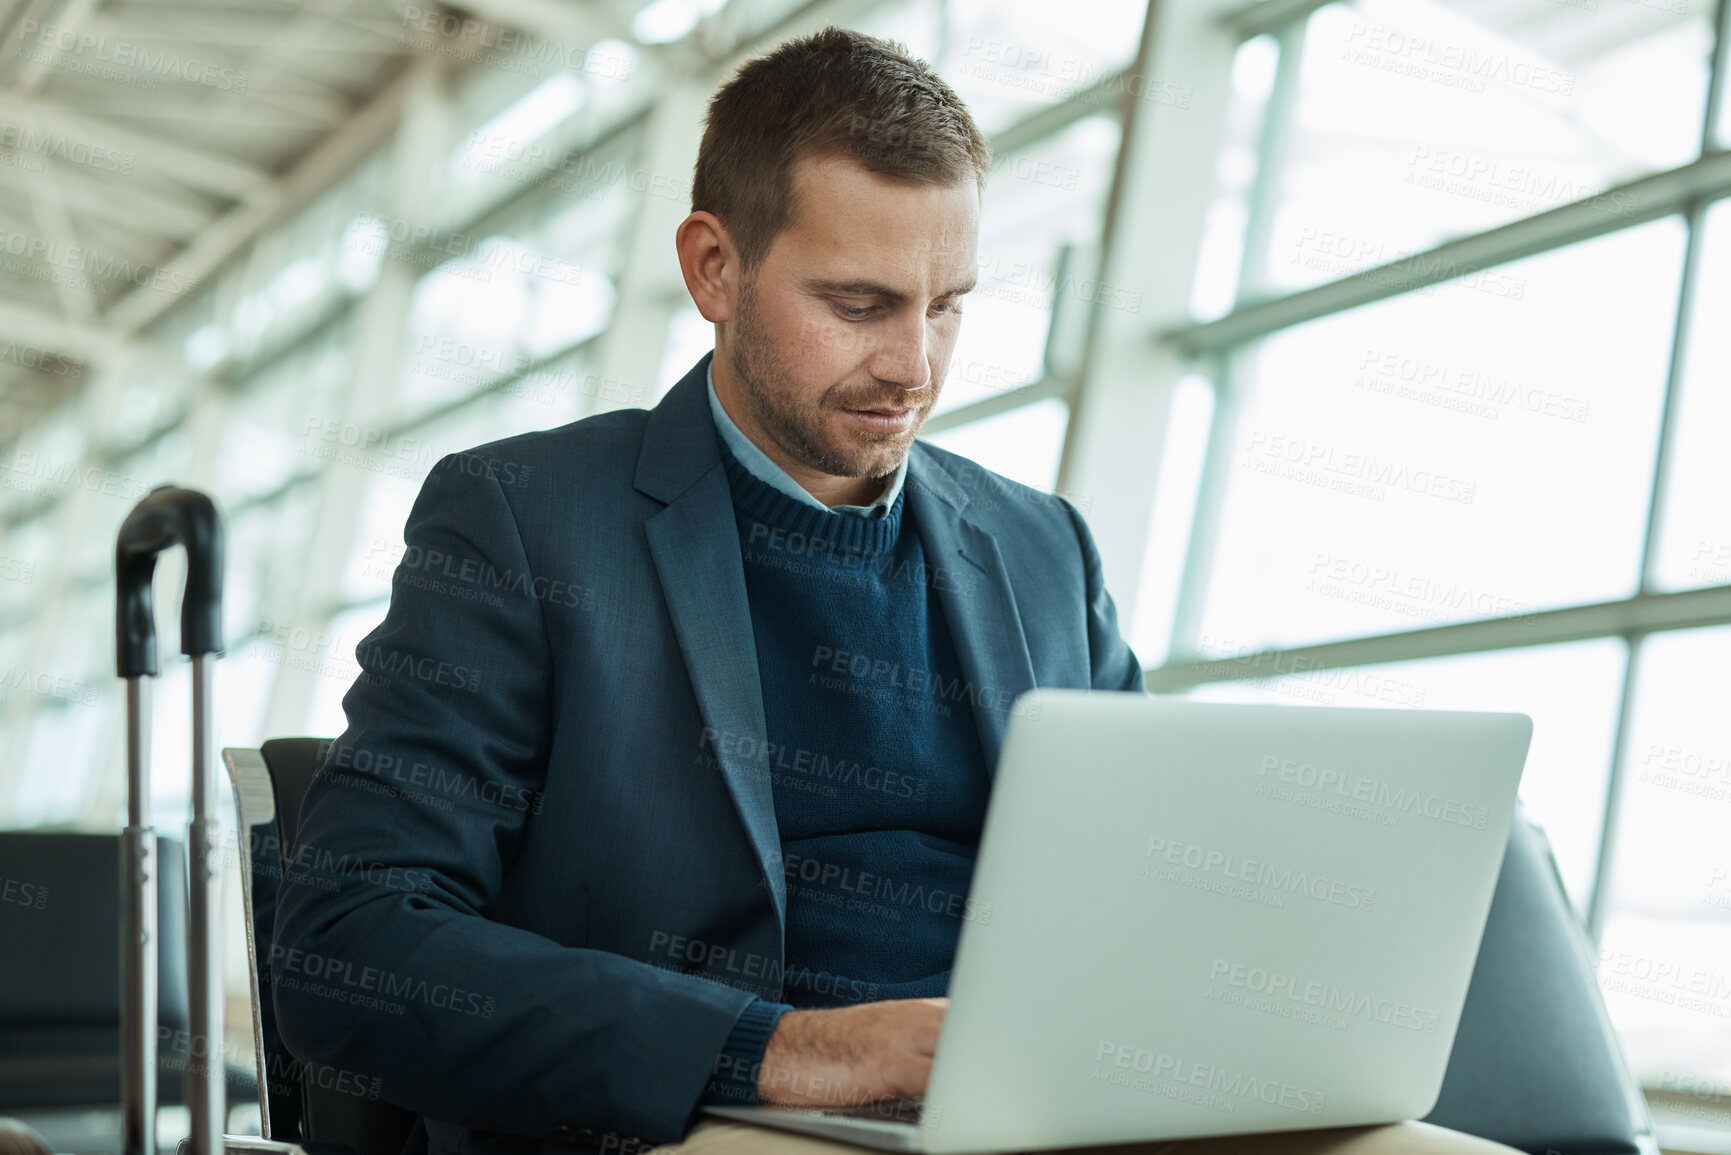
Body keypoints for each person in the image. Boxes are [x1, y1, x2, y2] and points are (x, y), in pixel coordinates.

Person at [273, 26, 1521, 1155]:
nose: (912, 366)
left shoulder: (1043, 552)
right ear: (713, 269)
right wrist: (786, 1049)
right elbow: (349, 947)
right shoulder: (528, 520)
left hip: (1045, 1108)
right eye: (857, 304)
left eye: (948, 306)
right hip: (704, 1117)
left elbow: (1156, 891)